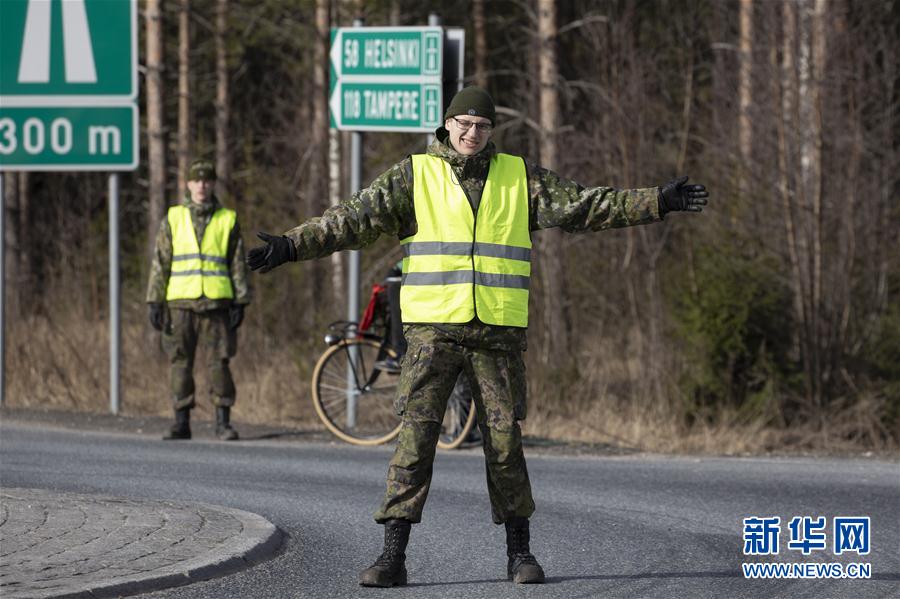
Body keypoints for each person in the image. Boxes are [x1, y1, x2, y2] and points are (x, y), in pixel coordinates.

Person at [247, 86, 708, 586]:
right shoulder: (414, 174)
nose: (472, 133)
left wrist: (656, 201)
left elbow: (585, 206)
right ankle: (392, 558)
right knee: (415, 444)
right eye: (464, 123)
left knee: (505, 445)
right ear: (447, 125)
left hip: (496, 334)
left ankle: (520, 555)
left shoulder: (518, 176)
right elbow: (351, 219)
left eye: (482, 126)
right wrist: (291, 246)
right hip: (432, 334)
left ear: (492, 131)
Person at [146, 159, 251, 441]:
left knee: (220, 363)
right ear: (188, 184)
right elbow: (161, 262)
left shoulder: (227, 218)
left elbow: (237, 262)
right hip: (180, 304)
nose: (202, 185)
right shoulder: (174, 217)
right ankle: (181, 422)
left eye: (207, 180)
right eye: (197, 180)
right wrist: (154, 300)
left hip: (217, 304)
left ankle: (223, 423)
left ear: (213, 184)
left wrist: (241, 300)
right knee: (180, 363)